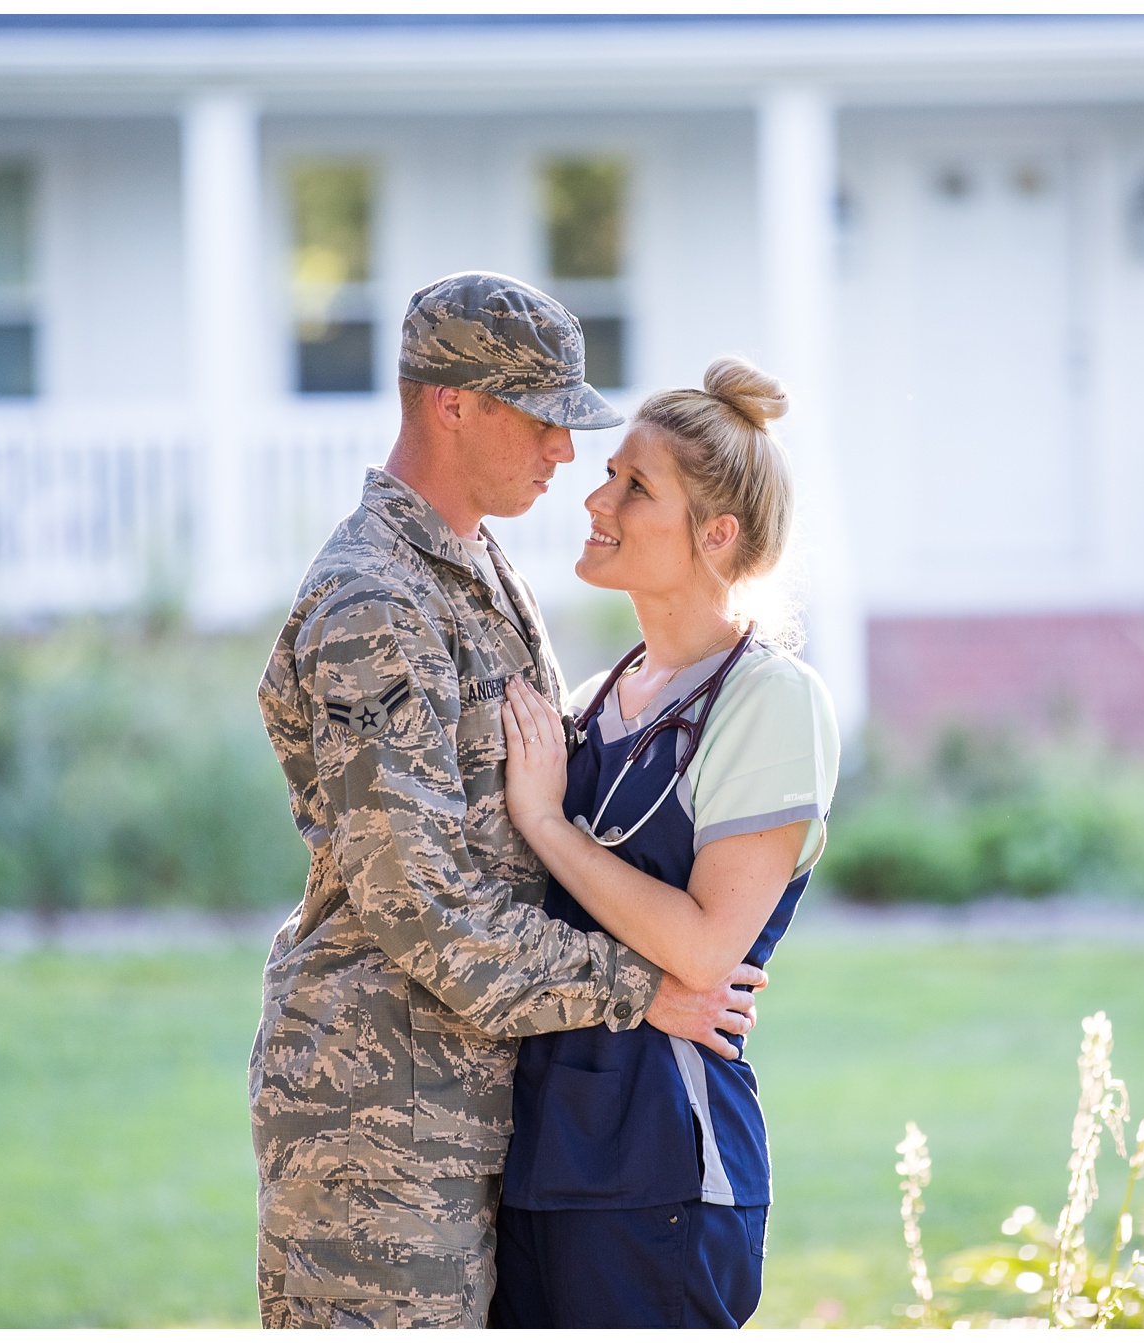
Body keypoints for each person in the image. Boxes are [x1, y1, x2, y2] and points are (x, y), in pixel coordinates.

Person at [251, 273, 769, 1329]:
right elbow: (420, 908)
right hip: (379, 1130)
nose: (562, 453)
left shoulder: (475, 570)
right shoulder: (374, 602)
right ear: (452, 403)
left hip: (484, 1111)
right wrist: (645, 987)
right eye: (540, 419)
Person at [488, 357, 841, 1327]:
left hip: (663, 1173)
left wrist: (548, 824)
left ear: (715, 533)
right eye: (609, 474)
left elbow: (699, 947)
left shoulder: (768, 702)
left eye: (634, 485)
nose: (595, 497)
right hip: (537, 1164)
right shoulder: (591, 700)